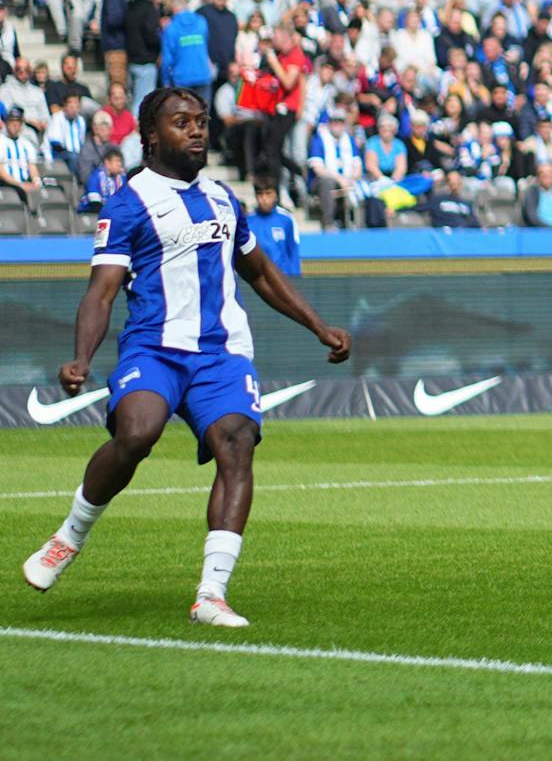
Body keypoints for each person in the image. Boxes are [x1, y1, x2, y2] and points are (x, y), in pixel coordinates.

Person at [21, 87, 352, 627]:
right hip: (155, 346)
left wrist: (319, 327)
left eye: (201, 121)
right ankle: (68, 537)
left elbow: (261, 272)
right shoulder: (129, 202)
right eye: (182, 122)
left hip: (222, 353)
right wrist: (82, 357)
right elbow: (101, 291)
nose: (198, 130)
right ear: (153, 135)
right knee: (136, 433)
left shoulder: (224, 197)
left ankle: (211, 595)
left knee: (237, 441)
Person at [79, 146, 126, 213]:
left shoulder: (122, 178)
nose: (120, 164)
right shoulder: (96, 176)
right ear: (107, 162)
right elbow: (94, 202)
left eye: (120, 161)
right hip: (90, 213)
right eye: (116, 161)